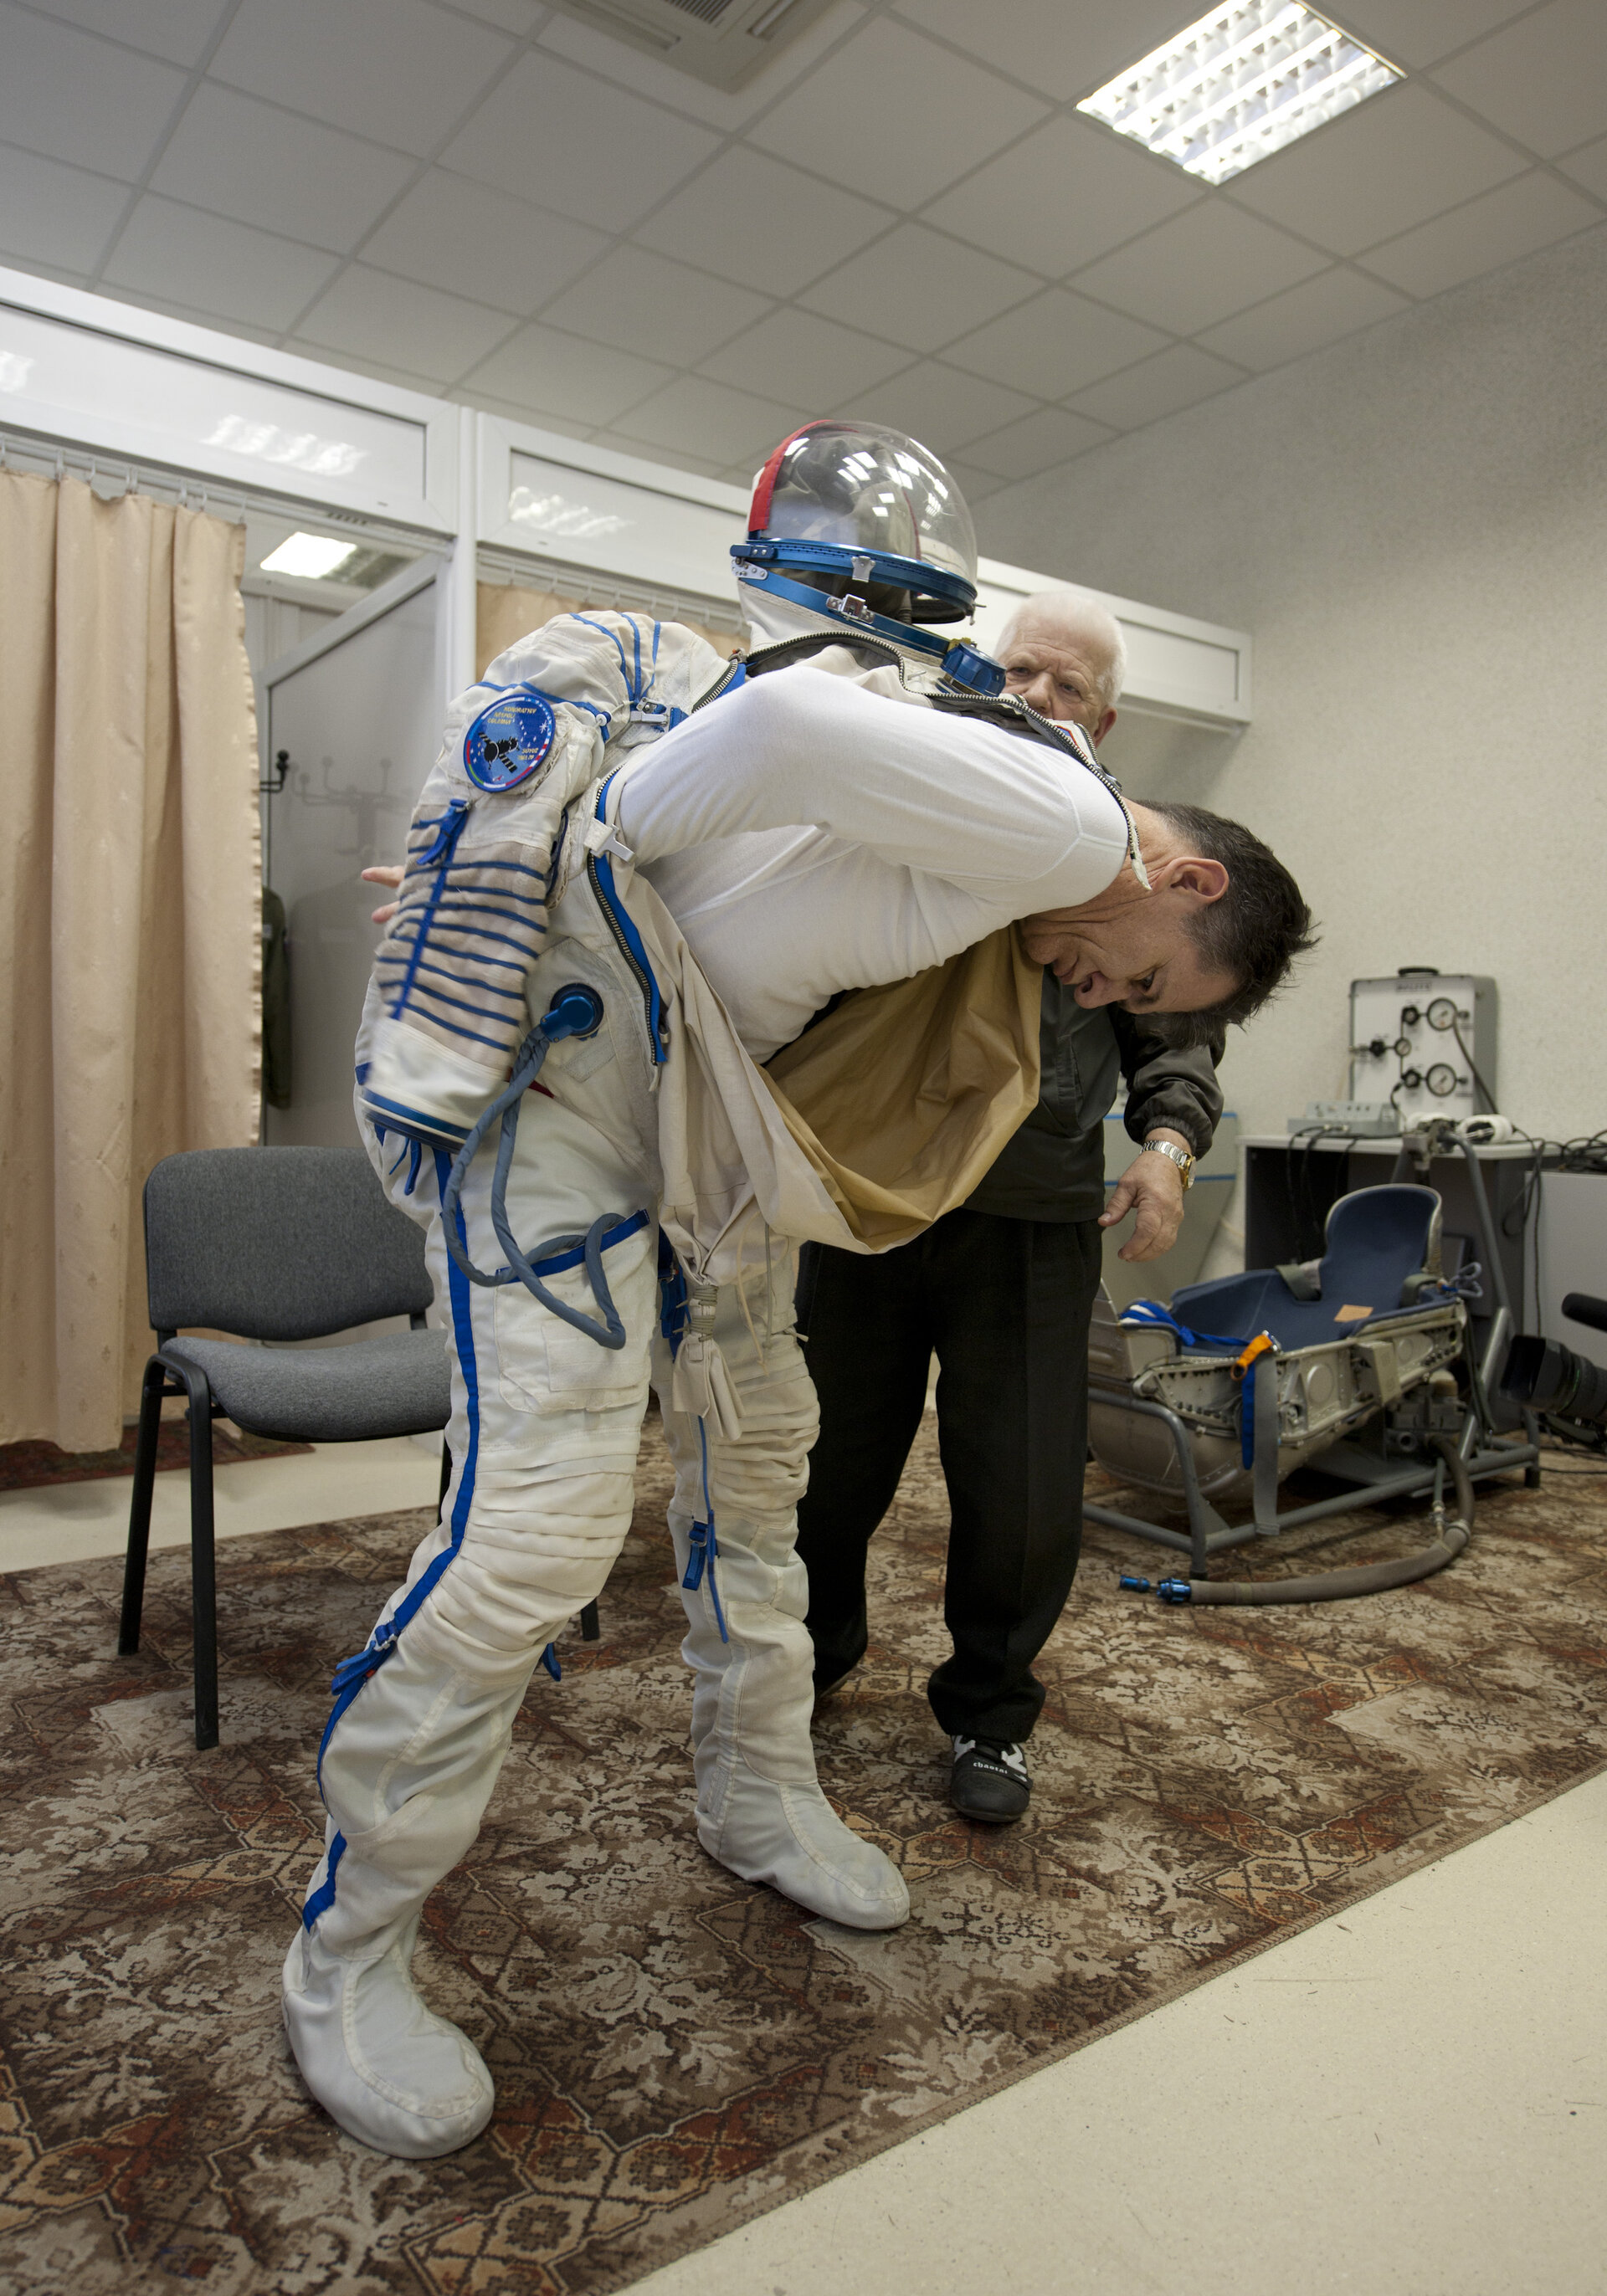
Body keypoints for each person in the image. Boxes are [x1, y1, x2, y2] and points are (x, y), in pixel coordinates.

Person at [290, 420, 1312, 2162]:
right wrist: (589, 863)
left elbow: (765, 865)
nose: (1104, 990)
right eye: (1143, 977)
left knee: (765, 1481)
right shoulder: (1062, 811)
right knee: (531, 1538)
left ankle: (760, 1792)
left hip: (701, 1138)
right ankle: (346, 1955)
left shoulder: (995, 827)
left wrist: (595, 882)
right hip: (566, 1124)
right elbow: (751, 736)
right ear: (1184, 879)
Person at [797, 591, 1228, 1828]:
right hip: (867, 1200)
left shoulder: (1115, 855)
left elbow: (1176, 1030)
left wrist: (1166, 1150)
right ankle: (817, 1653)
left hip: (1032, 1215)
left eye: (1068, 686)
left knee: (1022, 1487)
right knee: (827, 1462)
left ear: (1107, 715)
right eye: (1020, 672)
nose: (1040, 698)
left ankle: (991, 1716)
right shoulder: (910, 797)